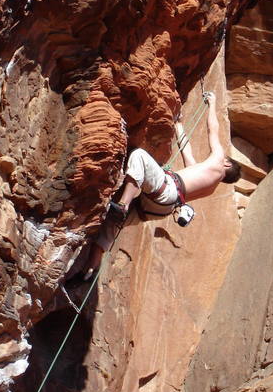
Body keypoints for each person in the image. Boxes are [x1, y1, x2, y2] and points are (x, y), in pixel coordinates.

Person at [84, 92, 240, 277]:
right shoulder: (210, 184)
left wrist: (212, 103)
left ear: (227, 164)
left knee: (139, 157)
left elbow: (212, 129)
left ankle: (123, 204)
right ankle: (91, 267)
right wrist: (179, 124)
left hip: (168, 190)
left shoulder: (219, 162)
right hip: (162, 208)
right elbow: (186, 150)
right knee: (112, 223)